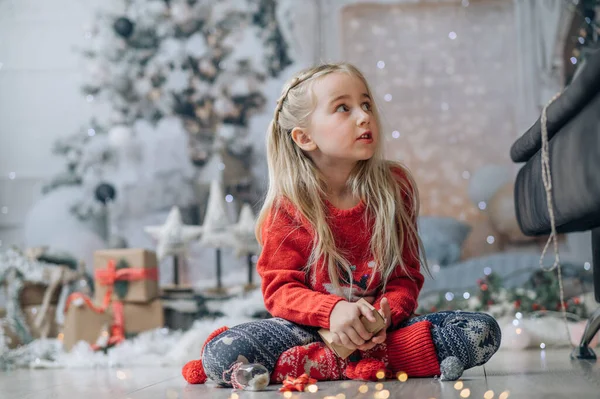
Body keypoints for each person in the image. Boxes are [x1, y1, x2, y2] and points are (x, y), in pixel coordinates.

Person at [182, 63, 501, 387]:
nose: (364, 116)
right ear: (305, 137)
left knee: (482, 331)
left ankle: (322, 363)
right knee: (222, 353)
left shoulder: (394, 188)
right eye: (343, 108)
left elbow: (405, 278)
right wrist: (332, 313)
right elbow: (280, 292)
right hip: (309, 329)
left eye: (366, 105)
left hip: (380, 330)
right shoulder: (288, 206)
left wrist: (381, 316)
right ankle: (372, 360)